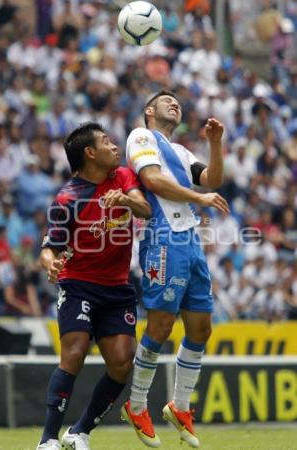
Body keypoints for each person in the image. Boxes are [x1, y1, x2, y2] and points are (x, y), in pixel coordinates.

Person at [121, 90, 229, 448]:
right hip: (163, 236)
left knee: (201, 327)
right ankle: (136, 405)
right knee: (162, 325)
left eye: (177, 101)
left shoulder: (181, 151)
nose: (175, 103)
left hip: (190, 239)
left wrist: (215, 143)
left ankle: (179, 405)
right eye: (166, 100)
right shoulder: (141, 137)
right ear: (149, 110)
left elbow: (211, 179)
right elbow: (151, 180)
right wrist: (198, 198)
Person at [37, 122, 151, 450]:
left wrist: (127, 201)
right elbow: (49, 247)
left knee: (122, 360)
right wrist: (51, 264)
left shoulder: (124, 177)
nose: (115, 146)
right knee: (74, 351)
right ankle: (47, 440)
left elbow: (143, 208)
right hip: (80, 285)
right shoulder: (67, 198)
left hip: (117, 288)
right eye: (106, 142)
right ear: (90, 153)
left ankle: (79, 431)